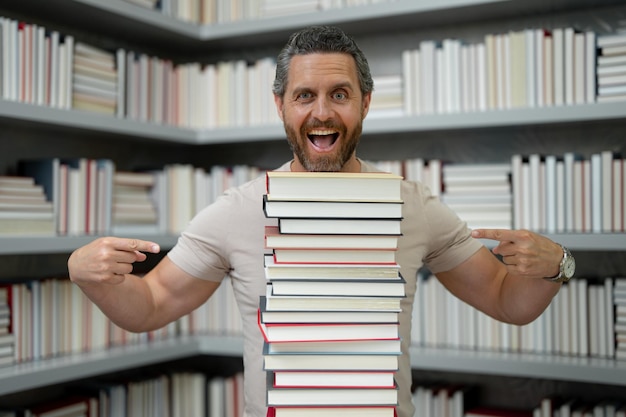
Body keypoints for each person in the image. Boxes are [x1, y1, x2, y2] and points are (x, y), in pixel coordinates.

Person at [68, 25, 574, 417]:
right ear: (281, 106)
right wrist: (86, 274)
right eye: (305, 96)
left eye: (339, 94)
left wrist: (558, 266)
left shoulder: (413, 204)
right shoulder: (238, 210)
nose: (322, 113)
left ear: (365, 103)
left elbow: (508, 302)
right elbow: (150, 305)